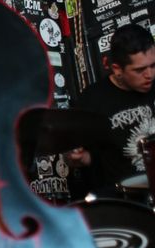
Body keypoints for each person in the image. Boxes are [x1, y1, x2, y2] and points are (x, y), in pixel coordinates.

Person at [66, 23, 155, 197]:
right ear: (117, 69)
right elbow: (89, 159)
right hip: (125, 199)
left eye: (153, 65)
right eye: (139, 70)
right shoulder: (92, 101)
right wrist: (78, 158)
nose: (149, 75)